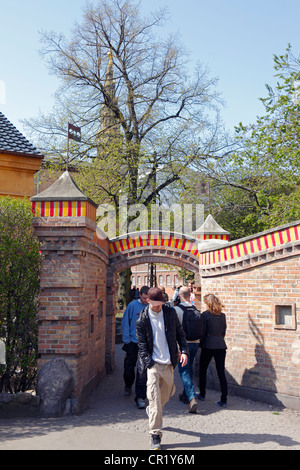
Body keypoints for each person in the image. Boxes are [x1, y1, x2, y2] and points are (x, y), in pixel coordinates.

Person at [136, 287, 189, 450]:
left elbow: (180, 334)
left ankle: (152, 410)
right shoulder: (142, 319)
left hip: (168, 363)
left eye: (160, 304)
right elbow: (142, 345)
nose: (158, 307)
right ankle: (155, 435)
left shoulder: (170, 313)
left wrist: (184, 351)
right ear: (148, 301)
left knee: (166, 395)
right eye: (155, 304)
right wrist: (149, 362)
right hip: (153, 364)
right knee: (154, 398)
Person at [121, 285, 149, 408]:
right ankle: (128, 385)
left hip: (146, 343)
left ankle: (140, 396)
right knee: (129, 368)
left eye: (148, 299)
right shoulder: (132, 306)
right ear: (140, 295)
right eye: (144, 298)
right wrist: (126, 339)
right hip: (132, 342)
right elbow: (125, 322)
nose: (145, 301)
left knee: (142, 370)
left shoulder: (151, 306)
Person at [198, 293, 228, 407]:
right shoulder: (222, 315)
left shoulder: (205, 315)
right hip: (220, 344)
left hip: (208, 344)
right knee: (221, 372)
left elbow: (202, 331)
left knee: (202, 369)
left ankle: (202, 393)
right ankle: (224, 399)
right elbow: (224, 331)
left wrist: (203, 342)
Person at [174, 286, 199, 413]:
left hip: (184, 345)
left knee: (184, 371)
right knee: (189, 369)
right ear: (190, 295)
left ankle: (191, 397)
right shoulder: (195, 309)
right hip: (195, 342)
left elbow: (173, 331)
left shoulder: (177, 310)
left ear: (179, 295)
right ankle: (185, 395)